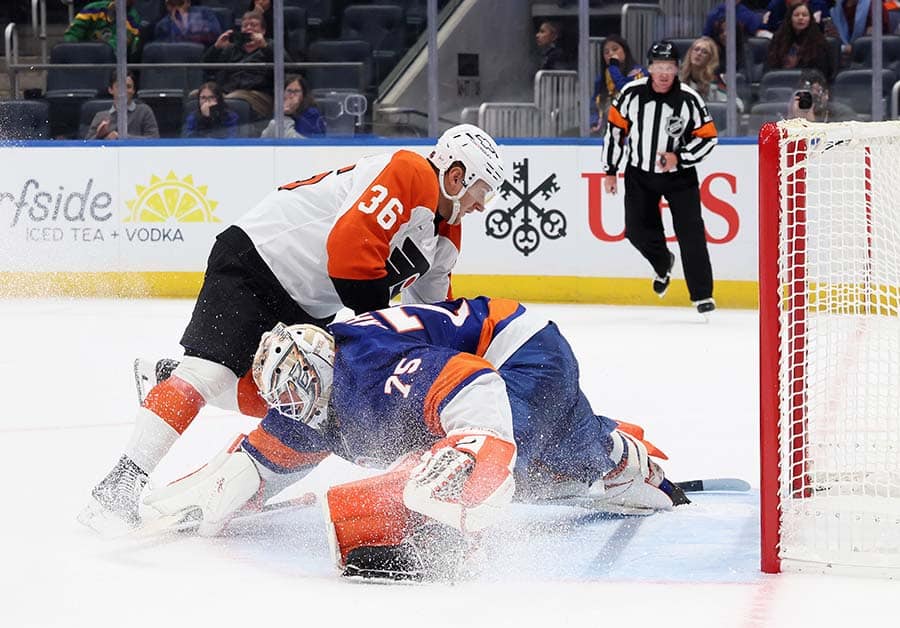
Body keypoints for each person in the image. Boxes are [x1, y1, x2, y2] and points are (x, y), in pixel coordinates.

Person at [77, 124, 506, 533]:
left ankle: (168, 378)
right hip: (258, 260)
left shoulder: (445, 233)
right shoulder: (411, 173)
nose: (482, 204)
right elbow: (349, 254)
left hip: (308, 300)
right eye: (482, 191)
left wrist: (458, 370)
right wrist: (378, 336)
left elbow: (434, 315)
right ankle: (116, 489)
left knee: (302, 399)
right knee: (210, 374)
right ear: (456, 175)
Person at [141, 297, 686, 580]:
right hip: (498, 362)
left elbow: (476, 384)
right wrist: (202, 498)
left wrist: (466, 456)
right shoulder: (312, 395)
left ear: (322, 367)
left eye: (298, 389)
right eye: (282, 397)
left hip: (517, 353)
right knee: (556, 460)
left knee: (514, 467)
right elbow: (260, 461)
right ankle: (617, 453)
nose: (293, 407)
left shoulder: (375, 371)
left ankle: (449, 537)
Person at [602, 41, 718, 315]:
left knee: (690, 233)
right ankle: (663, 262)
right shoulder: (631, 94)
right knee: (636, 230)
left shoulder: (689, 99)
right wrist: (610, 170)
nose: (664, 73)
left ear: (677, 69)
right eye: (659, 67)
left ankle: (702, 295)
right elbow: (615, 132)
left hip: (679, 177)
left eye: (669, 67)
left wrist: (680, 157)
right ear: (650, 68)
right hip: (639, 173)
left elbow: (708, 138)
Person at [201, 10, 290, 119]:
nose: (248, 28)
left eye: (253, 25)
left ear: (263, 31)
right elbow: (207, 69)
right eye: (245, 26)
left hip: (259, 95)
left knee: (232, 100)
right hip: (229, 92)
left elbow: (289, 67)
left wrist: (264, 46)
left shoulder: (271, 45)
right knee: (197, 96)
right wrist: (216, 47)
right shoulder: (232, 48)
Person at [590, 35, 646, 134]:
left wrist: (613, 66)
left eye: (615, 49)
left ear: (625, 51)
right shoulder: (601, 79)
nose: (611, 54)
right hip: (607, 128)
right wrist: (594, 121)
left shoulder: (639, 73)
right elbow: (594, 103)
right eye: (606, 52)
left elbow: (625, 89)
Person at [85, 71, 160, 140]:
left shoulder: (144, 111)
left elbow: (154, 139)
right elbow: (86, 146)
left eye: (128, 87)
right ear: (110, 90)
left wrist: (121, 137)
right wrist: (99, 136)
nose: (124, 91)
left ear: (133, 90)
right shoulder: (100, 116)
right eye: (119, 87)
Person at [766, 1, 833, 79]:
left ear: (810, 19)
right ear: (790, 18)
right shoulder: (779, 39)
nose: (800, 18)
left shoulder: (819, 42)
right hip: (781, 83)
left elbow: (822, 72)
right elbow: (770, 66)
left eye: (804, 15)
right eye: (796, 15)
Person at [679, 36, 744, 112]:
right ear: (690, 53)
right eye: (696, 49)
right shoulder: (676, 77)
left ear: (710, 59)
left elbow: (738, 104)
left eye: (704, 52)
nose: (699, 53)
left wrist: (720, 105)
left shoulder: (715, 81)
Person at [62, 0, 140, 56]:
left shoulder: (133, 19)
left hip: (110, 64)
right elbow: (72, 34)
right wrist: (73, 50)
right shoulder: (92, 9)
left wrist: (94, 52)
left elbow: (117, 45)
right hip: (80, 58)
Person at [260, 74, 326, 138]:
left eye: (297, 91)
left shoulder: (311, 113)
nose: (292, 96)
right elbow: (265, 138)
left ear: (303, 94)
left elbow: (295, 142)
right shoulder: (279, 109)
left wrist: (285, 115)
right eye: (289, 91)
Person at [787, 69, 857, 121]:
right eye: (806, 97)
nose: (811, 102)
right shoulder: (787, 111)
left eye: (815, 97)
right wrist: (790, 118)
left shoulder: (843, 114)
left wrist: (810, 123)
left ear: (826, 94)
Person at [154, 0, 222, 48]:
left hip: (204, 54)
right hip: (176, 58)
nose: (176, 8)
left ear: (188, 2)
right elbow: (165, 48)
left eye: (180, 3)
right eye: (172, 4)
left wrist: (186, 23)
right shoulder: (162, 25)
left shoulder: (204, 12)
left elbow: (215, 33)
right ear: (167, 5)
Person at [761, 0, 830, 33]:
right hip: (782, 43)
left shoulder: (819, 4)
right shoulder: (775, 5)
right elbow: (766, 29)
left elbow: (828, 32)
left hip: (812, 43)